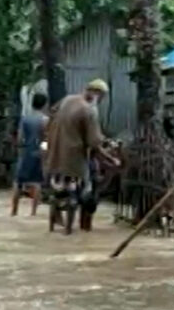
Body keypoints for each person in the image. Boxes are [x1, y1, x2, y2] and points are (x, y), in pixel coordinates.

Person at [44, 79, 121, 234]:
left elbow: (51, 115)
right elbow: (94, 142)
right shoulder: (88, 110)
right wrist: (112, 159)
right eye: (102, 96)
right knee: (89, 187)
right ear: (97, 94)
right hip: (75, 160)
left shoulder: (67, 100)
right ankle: (83, 226)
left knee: (59, 190)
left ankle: (56, 220)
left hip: (55, 155)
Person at [12, 92, 48, 216]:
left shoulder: (25, 118)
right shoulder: (45, 120)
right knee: (37, 182)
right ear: (44, 105)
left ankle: (14, 210)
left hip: (25, 152)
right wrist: (44, 151)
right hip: (37, 152)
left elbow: (19, 138)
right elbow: (45, 139)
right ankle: (33, 212)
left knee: (18, 182)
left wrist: (20, 148)